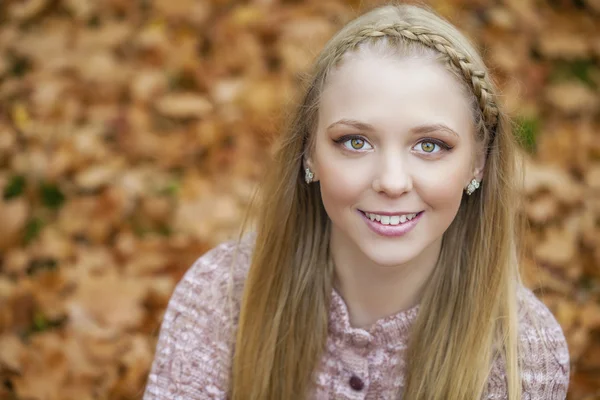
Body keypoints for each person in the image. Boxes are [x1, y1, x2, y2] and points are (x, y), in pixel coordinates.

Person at [143, 4, 570, 399]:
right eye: (356, 141)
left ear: (477, 162)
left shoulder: (524, 354)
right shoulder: (221, 295)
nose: (391, 181)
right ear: (310, 151)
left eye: (430, 146)